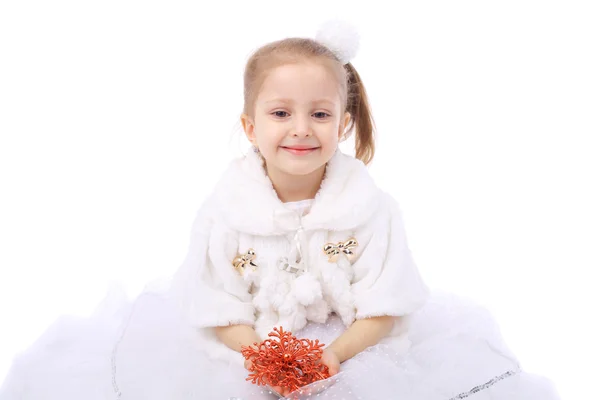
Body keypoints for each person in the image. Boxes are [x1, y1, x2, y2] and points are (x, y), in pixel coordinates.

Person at [0, 22, 561, 400]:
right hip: (249, 344)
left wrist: (329, 357)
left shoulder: (374, 211)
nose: (300, 128)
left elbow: (385, 307)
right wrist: (267, 355)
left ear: (342, 123)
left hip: (347, 348)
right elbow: (218, 305)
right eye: (279, 112)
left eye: (319, 114)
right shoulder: (225, 210)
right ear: (250, 126)